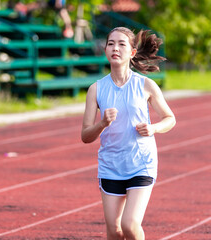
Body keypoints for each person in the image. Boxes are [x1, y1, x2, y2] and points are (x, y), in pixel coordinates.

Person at [81, 27, 176, 240]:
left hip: (140, 163)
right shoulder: (95, 89)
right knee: (114, 232)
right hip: (111, 165)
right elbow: (85, 135)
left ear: (132, 52)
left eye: (122, 44)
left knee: (130, 225)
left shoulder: (145, 85)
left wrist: (153, 128)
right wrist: (103, 123)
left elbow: (170, 118)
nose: (115, 48)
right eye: (111, 43)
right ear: (105, 49)